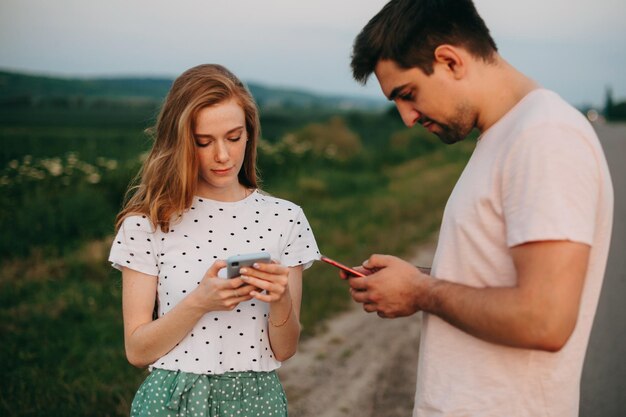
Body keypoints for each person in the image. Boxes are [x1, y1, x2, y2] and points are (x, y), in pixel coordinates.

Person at [346, 1, 614, 416]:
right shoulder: (506, 135)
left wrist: (421, 292)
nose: (407, 118)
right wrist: (416, 281)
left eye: (408, 94)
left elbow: (545, 320)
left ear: (450, 60)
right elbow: (499, 280)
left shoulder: (545, 137)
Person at [108, 64, 320, 417]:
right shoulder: (146, 224)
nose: (222, 155)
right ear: (179, 144)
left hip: (257, 400)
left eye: (234, 137)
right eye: (203, 142)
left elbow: (284, 350)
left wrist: (281, 299)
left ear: (250, 134)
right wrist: (199, 302)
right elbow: (137, 350)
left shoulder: (286, 218)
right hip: (170, 399)